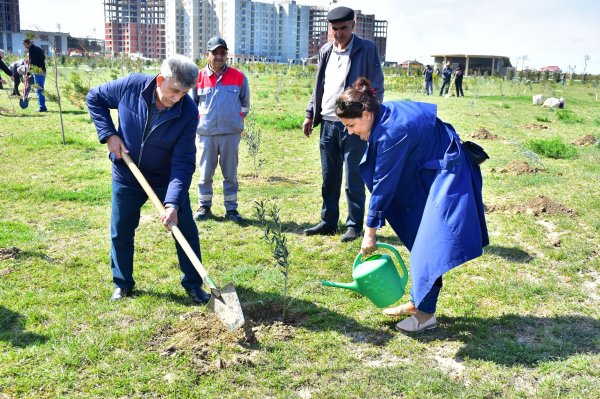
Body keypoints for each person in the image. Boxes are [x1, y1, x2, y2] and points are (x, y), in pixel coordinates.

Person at [335, 77, 488, 333]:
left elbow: (383, 183)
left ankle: (424, 315)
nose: (350, 132)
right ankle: (419, 302)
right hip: (429, 170)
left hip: (447, 173)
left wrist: (369, 233)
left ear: (366, 113)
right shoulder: (385, 114)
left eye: (351, 125)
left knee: (429, 245)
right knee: (420, 239)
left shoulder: (392, 131)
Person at [86, 55, 211, 305]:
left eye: (184, 93)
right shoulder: (132, 86)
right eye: (174, 90)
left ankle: (195, 284)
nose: (177, 98)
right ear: (161, 79)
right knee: (121, 228)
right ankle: (122, 283)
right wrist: (109, 134)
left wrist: (173, 203)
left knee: (185, 229)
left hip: (165, 177)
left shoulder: (187, 111)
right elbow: (94, 97)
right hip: (127, 173)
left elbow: (184, 160)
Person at [302, 6, 384, 242]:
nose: (339, 33)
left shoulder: (366, 49)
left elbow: (376, 87)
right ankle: (328, 221)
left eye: (343, 28)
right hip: (327, 123)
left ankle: (354, 225)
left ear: (353, 25)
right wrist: (310, 113)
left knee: (353, 177)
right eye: (335, 29)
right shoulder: (326, 50)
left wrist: (367, 121)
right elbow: (320, 86)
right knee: (329, 177)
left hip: (354, 125)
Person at [191, 37, 250, 224]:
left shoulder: (239, 77)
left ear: (227, 55)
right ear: (207, 54)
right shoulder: (197, 78)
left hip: (230, 135)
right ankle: (204, 206)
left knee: (230, 174)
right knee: (205, 174)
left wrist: (236, 121)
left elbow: (245, 105)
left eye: (222, 52)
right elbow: (192, 106)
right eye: (214, 52)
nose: (218, 56)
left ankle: (231, 209)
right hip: (206, 135)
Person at [23, 39, 47, 112]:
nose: (25, 47)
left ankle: (42, 107)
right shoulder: (38, 48)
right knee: (40, 88)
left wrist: (29, 72)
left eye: (25, 45)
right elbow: (43, 57)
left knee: (39, 89)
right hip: (42, 70)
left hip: (38, 71)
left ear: (29, 43)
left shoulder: (32, 50)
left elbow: (33, 62)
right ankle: (42, 106)